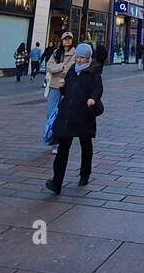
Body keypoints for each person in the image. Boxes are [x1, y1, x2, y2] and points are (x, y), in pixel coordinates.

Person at [44, 42, 103, 194]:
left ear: (88, 58)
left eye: (82, 58)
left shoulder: (94, 70)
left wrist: (93, 99)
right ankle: (56, 182)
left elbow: (98, 88)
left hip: (84, 113)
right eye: (77, 57)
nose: (78, 60)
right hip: (68, 115)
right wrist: (63, 87)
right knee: (63, 148)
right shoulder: (72, 69)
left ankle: (85, 174)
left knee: (85, 144)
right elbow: (66, 91)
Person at [43, 31, 76, 151]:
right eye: (65, 39)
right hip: (54, 87)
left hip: (66, 88)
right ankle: (52, 138)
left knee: (62, 114)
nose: (67, 41)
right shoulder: (56, 53)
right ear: (61, 41)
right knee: (50, 113)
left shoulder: (75, 53)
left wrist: (58, 68)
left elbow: (70, 70)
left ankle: (59, 141)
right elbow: (49, 66)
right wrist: (62, 66)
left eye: (69, 39)